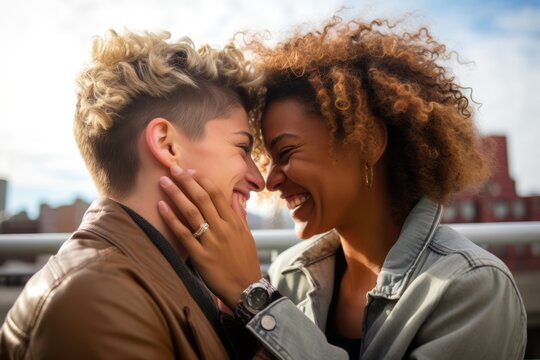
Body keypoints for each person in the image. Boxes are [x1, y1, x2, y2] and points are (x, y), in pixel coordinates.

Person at [157, 16, 528, 359]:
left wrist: (256, 299)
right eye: (268, 158)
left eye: (286, 152)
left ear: (367, 144)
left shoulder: (472, 286)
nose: (270, 179)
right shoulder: (287, 275)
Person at [0, 29, 268, 359]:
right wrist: (257, 298)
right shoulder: (96, 300)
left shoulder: (189, 279)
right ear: (168, 146)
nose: (259, 180)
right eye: (242, 147)